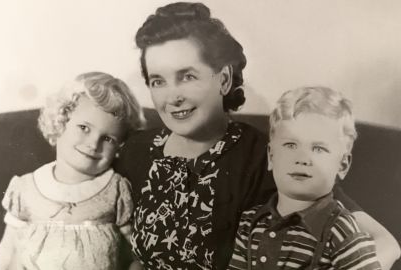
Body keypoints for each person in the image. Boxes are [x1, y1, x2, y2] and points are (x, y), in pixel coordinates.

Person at [114, 2, 399, 270]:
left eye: (187, 76)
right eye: (158, 81)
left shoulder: (265, 154)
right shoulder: (136, 149)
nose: (172, 96)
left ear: (223, 79)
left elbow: (386, 244)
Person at [0, 72, 144, 270]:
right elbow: (7, 251)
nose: (94, 144)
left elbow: (136, 254)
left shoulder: (116, 190)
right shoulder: (26, 189)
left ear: (120, 146)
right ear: (60, 121)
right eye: (84, 127)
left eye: (108, 139)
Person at [228, 86, 381, 269]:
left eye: (318, 149)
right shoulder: (250, 221)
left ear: (343, 165)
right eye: (291, 145)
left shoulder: (342, 230)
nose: (301, 159)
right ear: (271, 156)